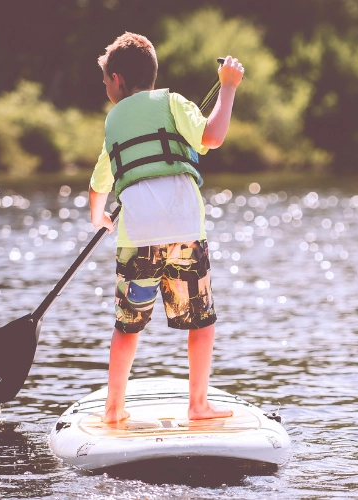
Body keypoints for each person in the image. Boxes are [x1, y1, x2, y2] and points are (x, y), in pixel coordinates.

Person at [87, 32, 243, 424]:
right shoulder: (173, 102)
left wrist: (98, 217)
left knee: (127, 327)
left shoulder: (113, 122)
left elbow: (99, 184)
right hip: (185, 233)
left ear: (117, 79)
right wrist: (227, 88)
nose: (105, 87)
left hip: (137, 238)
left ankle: (113, 409)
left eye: (105, 81)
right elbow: (213, 136)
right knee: (200, 322)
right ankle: (198, 405)